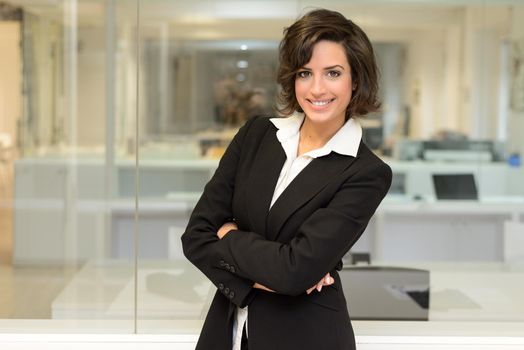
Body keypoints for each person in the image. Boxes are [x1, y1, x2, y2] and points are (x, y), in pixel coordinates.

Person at [182, 8, 392, 350]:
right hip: (226, 332)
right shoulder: (256, 135)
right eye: (305, 73)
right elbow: (195, 236)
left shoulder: (365, 173)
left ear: (356, 80)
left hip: (306, 337)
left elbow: (294, 272)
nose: (317, 88)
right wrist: (271, 274)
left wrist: (229, 236)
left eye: (333, 73)